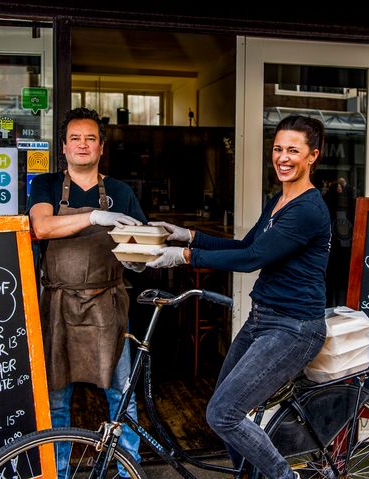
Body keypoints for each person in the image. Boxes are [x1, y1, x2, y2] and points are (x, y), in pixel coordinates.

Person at [146, 115, 331, 479]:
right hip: (263, 319)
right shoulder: (279, 200)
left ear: (313, 156)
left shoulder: (308, 209)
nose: (283, 157)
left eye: (293, 150)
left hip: (295, 327)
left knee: (222, 413)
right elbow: (248, 245)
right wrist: (191, 236)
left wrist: (185, 257)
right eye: (278, 148)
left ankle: (284, 476)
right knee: (225, 409)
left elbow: (251, 260)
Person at [28, 107, 144, 477]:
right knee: (57, 398)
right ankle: (58, 472)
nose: (83, 145)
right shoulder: (45, 185)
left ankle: (131, 470)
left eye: (90, 138)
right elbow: (43, 227)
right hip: (58, 305)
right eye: (75, 138)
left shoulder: (122, 193)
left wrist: (143, 256)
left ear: (101, 147)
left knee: (121, 396)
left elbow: (139, 246)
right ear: (63, 147)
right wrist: (94, 217)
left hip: (107, 306)